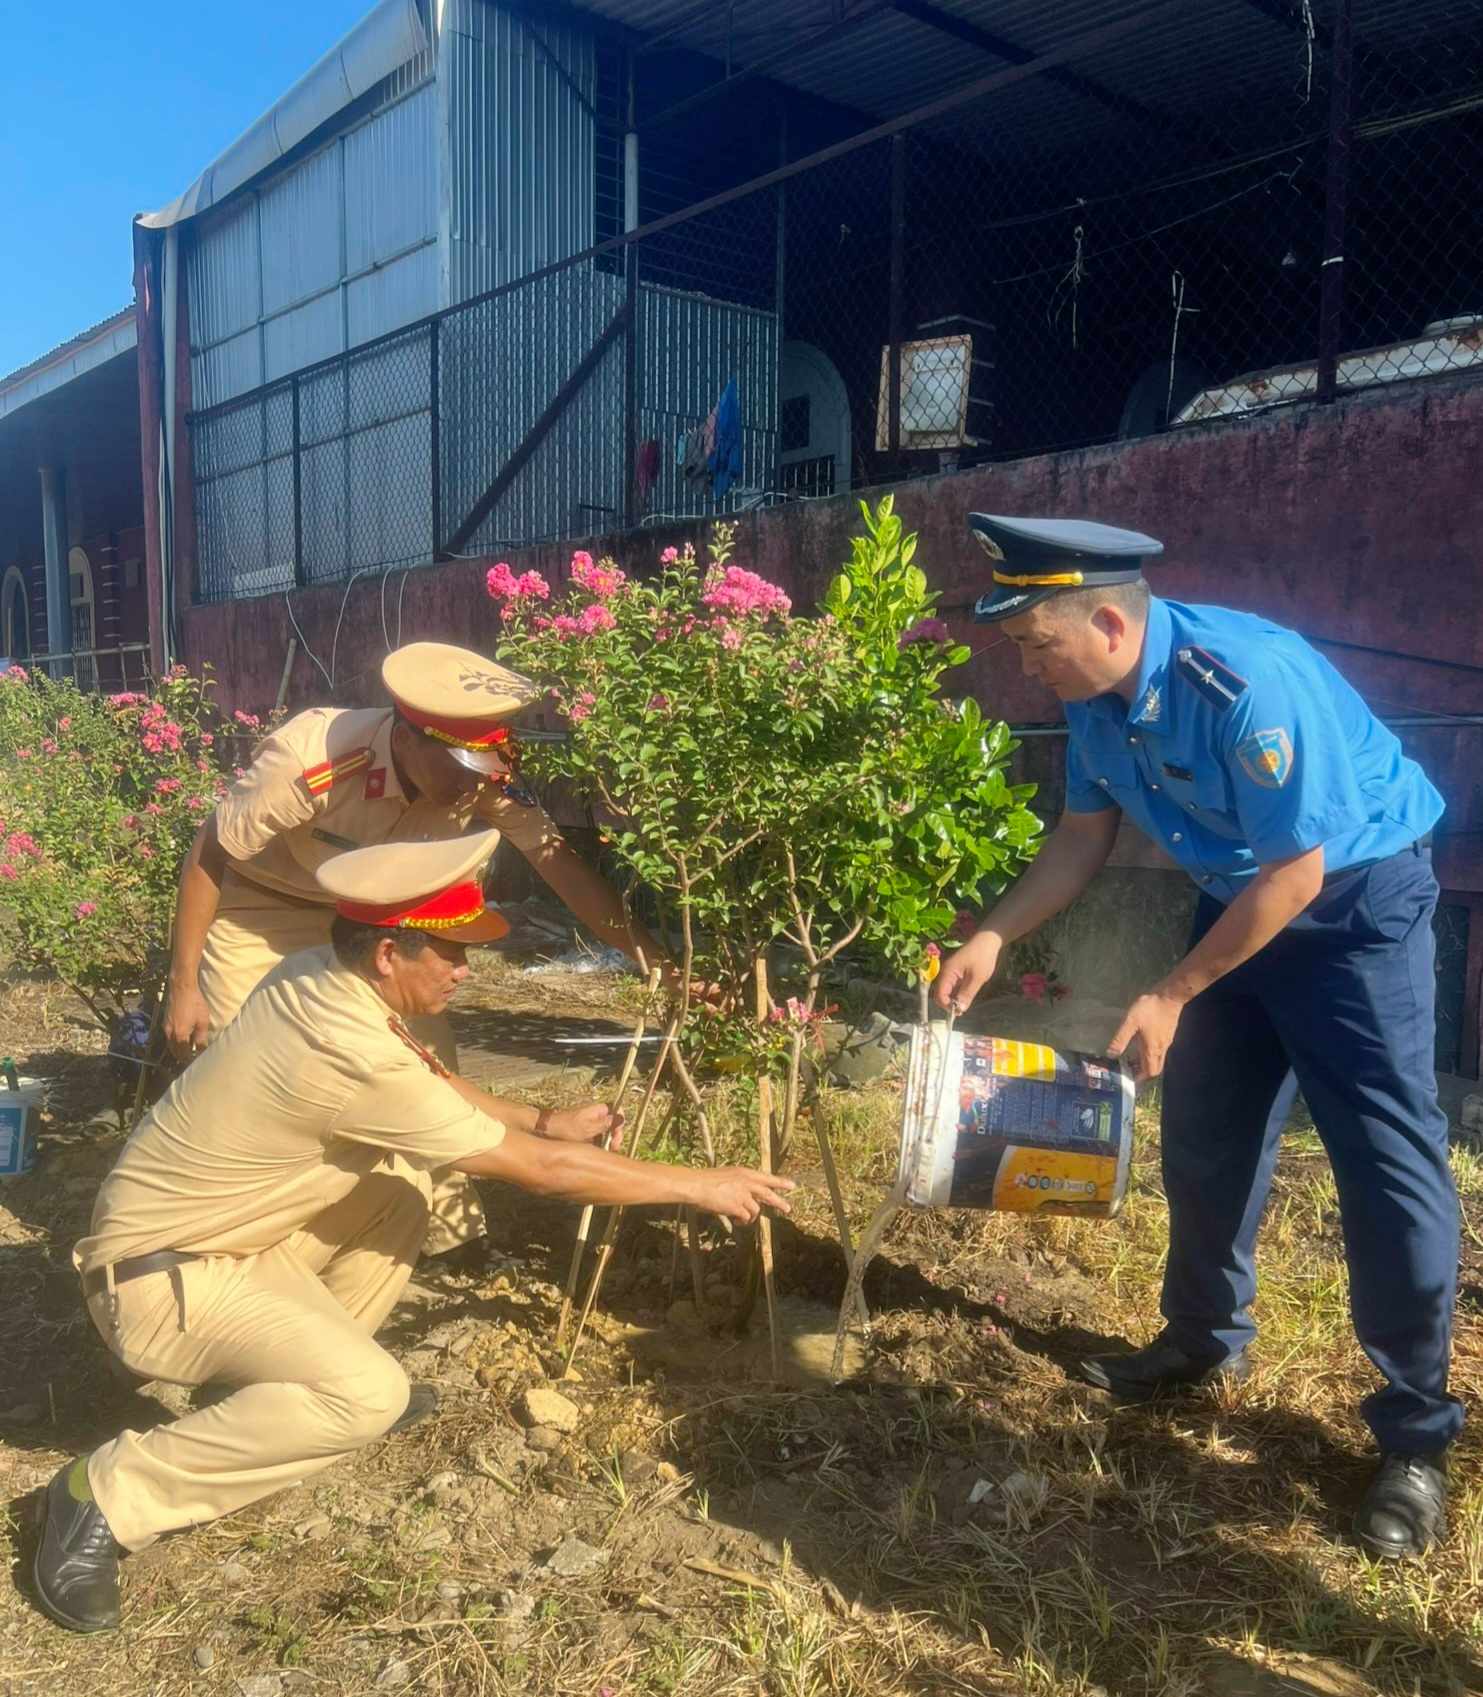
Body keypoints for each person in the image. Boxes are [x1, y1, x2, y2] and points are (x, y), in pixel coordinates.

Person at [35, 830, 792, 1634]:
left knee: (398, 1195)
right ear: (388, 953)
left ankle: (269, 1396)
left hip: (214, 1240)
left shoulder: (318, 976)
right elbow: (540, 1172)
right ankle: (105, 1495)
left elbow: (433, 1082)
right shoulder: (345, 1047)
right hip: (160, 1282)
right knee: (368, 1393)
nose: (467, 971)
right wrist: (700, 1184)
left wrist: (542, 1115)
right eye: (450, 955)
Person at [936, 513, 1460, 1560]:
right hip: (1236, 898)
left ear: (1108, 622)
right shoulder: (1094, 701)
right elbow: (1081, 837)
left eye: (1037, 642)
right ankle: (1200, 1342)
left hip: (1353, 903)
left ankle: (1415, 1434)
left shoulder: (1242, 682)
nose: (1028, 664)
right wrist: (992, 932)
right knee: (1208, 1136)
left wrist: (1171, 990)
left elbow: (1298, 874)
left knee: (1383, 1159)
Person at [162, 640, 673, 1256]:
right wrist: (184, 983)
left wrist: (661, 965)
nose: (473, 784)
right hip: (264, 906)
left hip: (376, 923)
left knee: (428, 1064)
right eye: (459, 764)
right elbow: (211, 854)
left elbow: (560, 867)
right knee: (245, 1064)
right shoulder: (310, 759)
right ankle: (239, 1242)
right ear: (406, 739)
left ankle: (450, 1237)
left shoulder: (482, 779)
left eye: (485, 766)